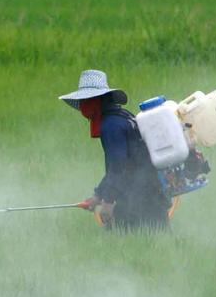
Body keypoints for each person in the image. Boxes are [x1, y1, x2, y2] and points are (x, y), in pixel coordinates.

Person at [59, 70, 171, 231]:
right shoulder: (123, 116)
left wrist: (108, 202)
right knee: (155, 245)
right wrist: (98, 195)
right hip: (151, 193)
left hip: (137, 199)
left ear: (97, 100)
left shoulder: (110, 125)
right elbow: (117, 167)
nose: (83, 106)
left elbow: (119, 167)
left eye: (86, 100)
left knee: (127, 246)